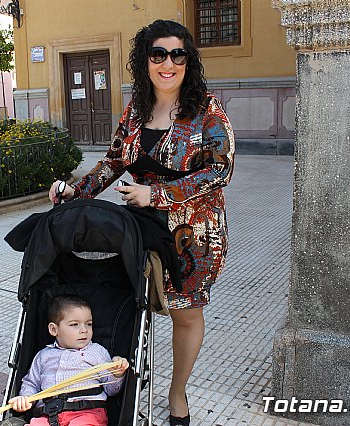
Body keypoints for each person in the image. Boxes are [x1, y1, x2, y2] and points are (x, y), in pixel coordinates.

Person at [48, 20, 235, 426]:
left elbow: (220, 171)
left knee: (185, 313)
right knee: (136, 305)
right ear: (145, 61)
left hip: (192, 234)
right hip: (140, 229)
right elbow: (114, 162)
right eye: (158, 55)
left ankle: (177, 393)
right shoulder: (136, 110)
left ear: (188, 61)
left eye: (177, 55)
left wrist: (159, 194)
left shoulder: (207, 110)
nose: (168, 63)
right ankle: (127, 386)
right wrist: (74, 191)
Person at [8, 295, 129, 425]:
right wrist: (26, 398)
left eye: (89, 324)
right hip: (48, 414)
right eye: (74, 324)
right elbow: (31, 383)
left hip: (87, 412)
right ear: (54, 329)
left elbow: (111, 390)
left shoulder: (97, 352)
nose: (84, 330)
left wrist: (117, 374)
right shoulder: (43, 356)